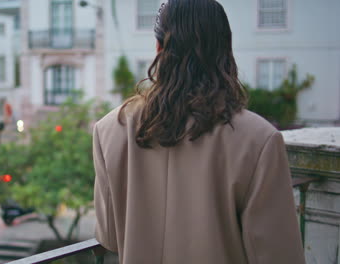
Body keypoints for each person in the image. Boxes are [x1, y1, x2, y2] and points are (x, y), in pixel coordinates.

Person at [93, 0, 305, 263]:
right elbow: (277, 253)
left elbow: (110, 237)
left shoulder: (110, 129)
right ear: (225, 51)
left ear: (159, 49)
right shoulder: (259, 139)